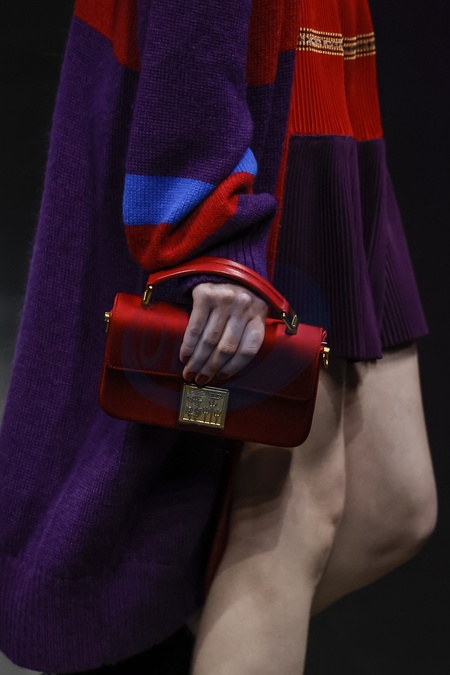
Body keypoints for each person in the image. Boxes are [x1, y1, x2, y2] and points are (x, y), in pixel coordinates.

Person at [0, 0, 437, 673]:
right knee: (287, 515)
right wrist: (209, 228)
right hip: (272, 108)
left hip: (335, 82)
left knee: (391, 507)